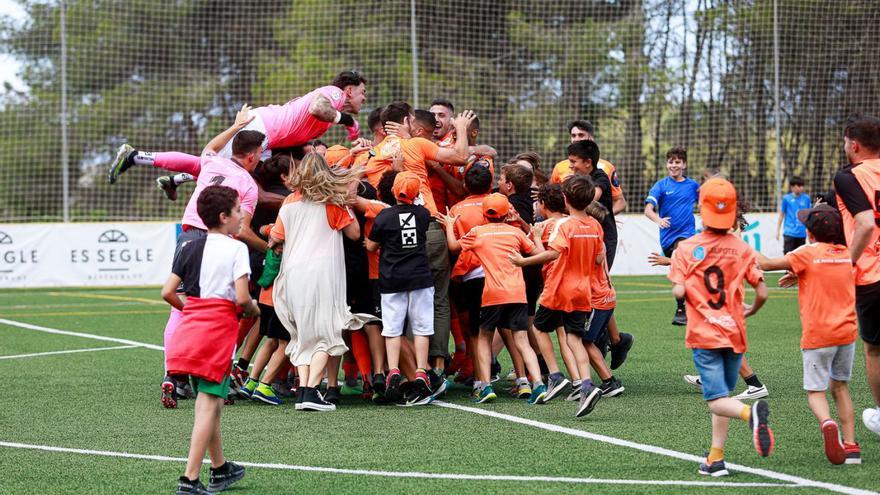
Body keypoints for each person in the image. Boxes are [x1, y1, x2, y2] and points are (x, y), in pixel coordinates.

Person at [160, 105, 265, 409]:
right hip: (219, 243)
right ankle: (219, 376)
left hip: (188, 237)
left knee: (180, 311)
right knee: (222, 310)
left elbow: (210, 146)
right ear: (252, 156)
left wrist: (235, 126)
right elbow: (243, 231)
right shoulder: (247, 184)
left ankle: (174, 376)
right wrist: (270, 248)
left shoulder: (210, 162)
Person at [668, 177, 773, 477]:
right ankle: (716, 459)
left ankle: (750, 413)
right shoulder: (742, 248)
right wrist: (752, 309)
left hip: (705, 333)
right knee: (725, 393)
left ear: (701, 209)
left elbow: (678, 292)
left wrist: (684, 289)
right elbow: (763, 291)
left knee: (717, 402)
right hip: (735, 332)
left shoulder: (687, 248)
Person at [108, 71, 367, 185]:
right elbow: (317, 108)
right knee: (211, 165)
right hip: (261, 128)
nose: (363, 98)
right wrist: (349, 122)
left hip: (264, 134)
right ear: (349, 89)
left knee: (226, 172)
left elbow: (299, 134)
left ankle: (174, 180)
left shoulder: (323, 122)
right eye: (362, 92)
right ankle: (134, 156)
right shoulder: (335, 94)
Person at [161, 185, 257, 494]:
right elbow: (242, 299)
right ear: (223, 216)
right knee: (208, 404)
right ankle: (189, 479)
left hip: (191, 328)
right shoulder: (236, 248)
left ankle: (220, 469)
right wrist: (254, 310)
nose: (241, 215)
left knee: (211, 400)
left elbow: (167, 292)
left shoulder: (189, 246)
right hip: (218, 331)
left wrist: (193, 310)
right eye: (238, 210)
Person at [756, 204, 861, 465]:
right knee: (841, 388)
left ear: (810, 233)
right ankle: (851, 447)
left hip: (818, 336)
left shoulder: (806, 253)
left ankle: (827, 423)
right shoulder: (848, 253)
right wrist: (799, 276)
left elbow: (767, 264)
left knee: (816, 392)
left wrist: (737, 240)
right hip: (847, 334)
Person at [268, 153, 373, 412]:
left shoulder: (289, 202)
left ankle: (304, 390)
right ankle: (313, 391)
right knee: (326, 331)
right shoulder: (332, 203)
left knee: (303, 334)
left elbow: (275, 237)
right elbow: (354, 233)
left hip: (293, 274)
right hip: (322, 273)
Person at [511, 175, 616, 417]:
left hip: (559, 289)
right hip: (584, 291)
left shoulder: (564, 226)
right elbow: (600, 258)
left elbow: (552, 255)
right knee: (574, 338)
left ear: (566, 199)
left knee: (538, 329)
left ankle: (555, 376)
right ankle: (586, 385)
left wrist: (523, 260)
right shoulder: (595, 226)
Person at [441, 193, 547, 404]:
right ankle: (537, 384)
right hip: (518, 293)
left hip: (492, 294)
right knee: (522, 341)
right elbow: (540, 254)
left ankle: (485, 385)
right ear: (507, 212)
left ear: (484, 213)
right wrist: (535, 236)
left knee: (483, 338)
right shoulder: (515, 233)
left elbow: (453, 247)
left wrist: (450, 225)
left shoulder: (478, 232)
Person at [366, 171, 435, 406]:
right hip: (420, 278)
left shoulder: (384, 217)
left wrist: (368, 242)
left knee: (392, 328)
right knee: (422, 327)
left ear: (394, 191)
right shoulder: (424, 214)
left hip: (391, 279)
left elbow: (373, 245)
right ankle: (421, 371)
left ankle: (393, 369)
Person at [831, 114, 880, 436]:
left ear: (854, 144)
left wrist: (846, 263)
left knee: (875, 349)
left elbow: (864, 223)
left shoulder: (849, 177)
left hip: (872, 275)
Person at [644, 147, 700, 326]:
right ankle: (685, 307)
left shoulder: (693, 186)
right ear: (667, 164)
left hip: (687, 236)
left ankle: (681, 310)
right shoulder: (661, 185)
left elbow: (705, 202)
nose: (674, 165)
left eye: (677, 162)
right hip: (667, 238)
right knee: (682, 275)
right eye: (671, 162)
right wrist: (658, 219)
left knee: (682, 256)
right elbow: (648, 210)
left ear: (684, 164)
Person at [551, 120, 627, 215]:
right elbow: (552, 198)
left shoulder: (605, 168)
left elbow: (620, 202)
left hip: (596, 227)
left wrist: (605, 216)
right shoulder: (559, 167)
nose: (576, 139)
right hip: (569, 226)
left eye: (581, 135)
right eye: (573, 135)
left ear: (591, 138)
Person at [776, 175, 811, 254]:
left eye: (802, 185)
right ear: (792, 187)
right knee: (788, 256)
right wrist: (777, 231)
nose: (801, 187)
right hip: (789, 233)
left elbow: (809, 214)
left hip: (802, 234)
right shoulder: (786, 198)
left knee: (800, 257)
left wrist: (809, 230)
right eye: (799, 185)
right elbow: (782, 214)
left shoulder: (806, 198)